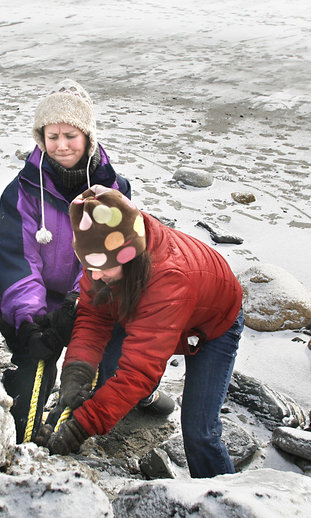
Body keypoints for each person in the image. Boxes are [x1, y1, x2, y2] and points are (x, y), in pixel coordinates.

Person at [0, 79, 166, 444]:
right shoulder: (21, 191)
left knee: (110, 376)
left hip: (91, 297)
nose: (60, 145)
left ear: (87, 136)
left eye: (70, 135)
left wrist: (79, 301)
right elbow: (16, 263)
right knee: (34, 366)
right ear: (41, 138)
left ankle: (144, 397)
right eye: (51, 136)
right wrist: (33, 320)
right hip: (36, 305)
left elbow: (115, 255)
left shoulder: (114, 190)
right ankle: (24, 425)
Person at [45, 185, 244, 478]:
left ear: (130, 255)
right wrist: (76, 371)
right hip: (145, 310)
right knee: (106, 382)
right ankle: (142, 399)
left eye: (102, 267)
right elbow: (92, 317)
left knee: (200, 432)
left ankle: (226, 499)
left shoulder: (169, 279)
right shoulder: (103, 244)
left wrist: (81, 427)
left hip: (212, 326)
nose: (95, 275)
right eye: (89, 266)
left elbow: (139, 370)